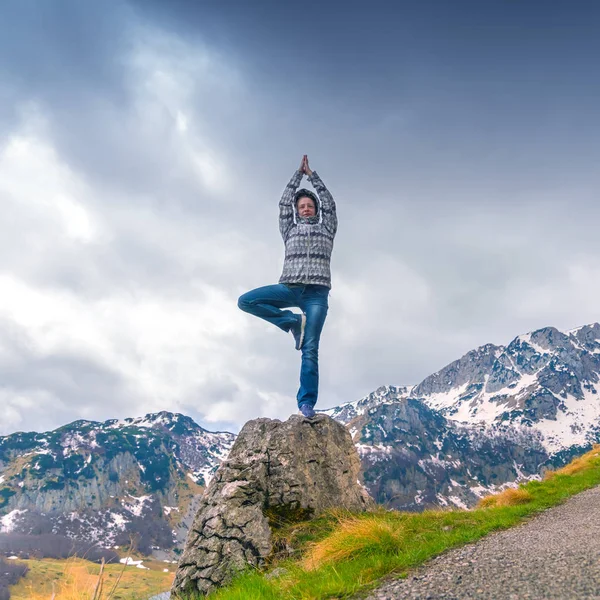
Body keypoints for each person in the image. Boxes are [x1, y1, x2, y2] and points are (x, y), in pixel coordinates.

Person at [238, 155, 338, 418]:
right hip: (290, 287)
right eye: (302, 206)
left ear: (315, 209)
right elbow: (284, 203)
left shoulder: (327, 229)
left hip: (316, 294)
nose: (306, 209)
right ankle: (292, 322)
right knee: (246, 301)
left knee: (310, 349)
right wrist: (297, 176)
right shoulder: (289, 229)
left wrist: (312, 176)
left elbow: (330, 204)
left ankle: (306, 403)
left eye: (309, 206)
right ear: (297, 210)